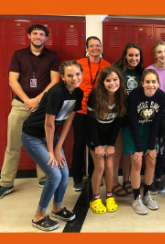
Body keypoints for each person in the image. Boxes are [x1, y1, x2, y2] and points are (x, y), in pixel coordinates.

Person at [21, 60, 84, 231]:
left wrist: (58, 147)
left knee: (64, 172)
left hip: (51, 136)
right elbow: (49, 124)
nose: (74, 78)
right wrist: (51, 151)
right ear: (63, 77)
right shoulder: (56, 92)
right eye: (70, 75)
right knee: (54, 176)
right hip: (33, 135)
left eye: (77, 74)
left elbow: (69, 120)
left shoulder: (78, 93)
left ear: (82, 75)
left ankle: (56, 208)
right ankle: (39, 215)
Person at [0, 24, 60, 199]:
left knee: (42, 142)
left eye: (41, 34)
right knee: (13, 146)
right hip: (20, 105)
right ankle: (6, 183)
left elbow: (55, 81)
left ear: (45, 37)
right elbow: (13, 81)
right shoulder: (18, 55)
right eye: (35, 33)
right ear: (29, 36)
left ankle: (43, 178)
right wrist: (27, 100)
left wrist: (37, 100)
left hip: (42, 107)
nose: (38, 37)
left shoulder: (52, 57)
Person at [124, 69, 165, 215]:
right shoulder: (134, 95)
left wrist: (151, 147)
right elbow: (133, 123)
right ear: (142, 83)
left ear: (158, 83)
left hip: (149, 129)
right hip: (133, 129)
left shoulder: (162, 96)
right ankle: (136, 198)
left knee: (152, 161)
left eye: (153, 82)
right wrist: (139, 148)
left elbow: (156, 123)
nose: (151, 85)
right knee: (137, 162)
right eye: (147, 82)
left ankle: (146, 194)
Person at [86, 66, 128, 214]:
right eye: (108, 80)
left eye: (115, 79)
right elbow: (90, 124)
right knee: (101, 167)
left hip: (109, 137)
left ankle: (109, 196)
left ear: (119, 80)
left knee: (110, 166)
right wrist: (97, 145)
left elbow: (117, 123)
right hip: (95, 137)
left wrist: (111, 144)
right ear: (102, 82)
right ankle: (96, 198)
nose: (112, 83)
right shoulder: (95, 96)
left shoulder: (121, 96)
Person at [72, 36, 111, 191]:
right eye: (92, 46)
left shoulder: (107, 65)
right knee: (79, 142)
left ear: (101, 47)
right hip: (80, 110)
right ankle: (77, 177)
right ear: (87, 49)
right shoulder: (78, 64)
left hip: (98, 110)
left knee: (95, 143)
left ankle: (95, 174)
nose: (95, 48)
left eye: (98, 45)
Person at [112, 43, 145, 197]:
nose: (134, 58)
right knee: (117, 150)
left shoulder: (141, 73)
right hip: (118, 115)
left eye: (137, 55)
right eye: (131, 55)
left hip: (134, 117)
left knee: (127, 151)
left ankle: (126, 180)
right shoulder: (117, 71)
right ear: (125, 55)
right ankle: (113, 182)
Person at [145, 40, 165, 194]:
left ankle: (158, 178)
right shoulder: (149, 70)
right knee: (151, 146)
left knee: (162, 148)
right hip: (151, 113)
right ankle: (148, 180)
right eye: (159, 52)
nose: (163, 54)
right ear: (154, 55)